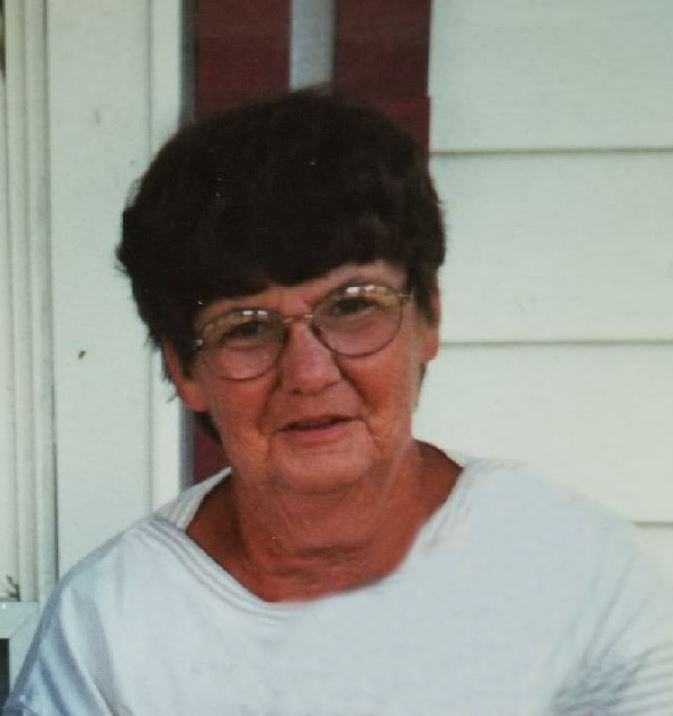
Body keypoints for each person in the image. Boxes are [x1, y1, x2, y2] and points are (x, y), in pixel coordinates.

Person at [4, 91, 673, 715]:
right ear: (184, 368)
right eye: (246, 327)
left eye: (352, 307)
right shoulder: (109, 625)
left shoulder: (575, 573)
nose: (308, 372)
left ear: (428, 319)